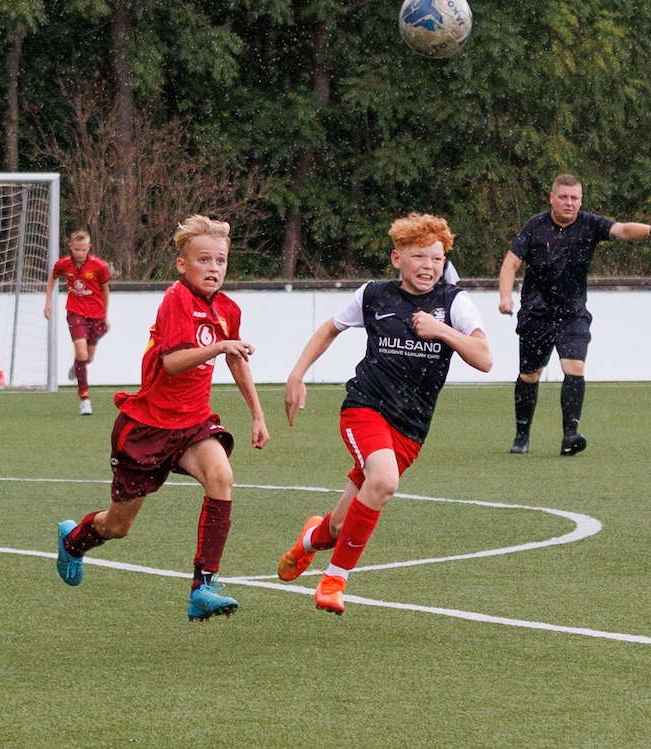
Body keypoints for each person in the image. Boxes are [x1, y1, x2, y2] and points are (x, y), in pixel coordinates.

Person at [55, 215, 270, 621]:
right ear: (182, 264)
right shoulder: (176, 298)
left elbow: (236, 360)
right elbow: (172, 362)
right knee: (117, 526)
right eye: (203, 260)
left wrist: (257, 415)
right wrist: (219, 346)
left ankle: (202, 587)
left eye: (221, 260)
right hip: (148, 427)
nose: (214, 268)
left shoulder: (228, 309)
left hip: (193, 424)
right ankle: (73, 542)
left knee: (221, 477)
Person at [277, 213, 493, 615]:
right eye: (418, 257)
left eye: (436, 258)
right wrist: (296, 374)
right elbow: (330, 328)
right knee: (384, 481)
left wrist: (443, 331)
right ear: (397, 259)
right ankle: (334, 579)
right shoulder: (374, 295)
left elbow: (484, 359)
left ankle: (309, 540)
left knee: (340, 525)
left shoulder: (454, 302)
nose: (428, 266)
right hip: (366, 407)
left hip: (411, 427)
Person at [497, 173, 651, 456]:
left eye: (574, 198)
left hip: (573, 314)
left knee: (574, 367)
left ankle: (570, 436)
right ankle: (522, 435)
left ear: (581, 201)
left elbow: (622, 230)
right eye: (563, 197)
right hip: (536, 313)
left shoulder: (590, 224)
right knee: (530, 375)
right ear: (552, 198)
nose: (569, 203)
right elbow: (510, 264)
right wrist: (505, 297)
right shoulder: (534, 226)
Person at [44, 229, 111, 415]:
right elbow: (53, 277)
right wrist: (48, 301)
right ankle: (84, 398)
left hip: (96, 314)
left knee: (87, 358)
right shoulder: (64, 264)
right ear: (70, 248)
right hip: (75, 312)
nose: (80, 253)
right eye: (76, 249)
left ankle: (76, 367)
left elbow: (105, 290)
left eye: (83, 249)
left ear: (89, 247)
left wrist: (105, 316)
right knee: (81, 353)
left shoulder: (99, 266)